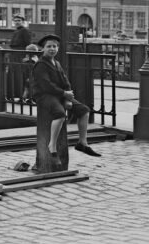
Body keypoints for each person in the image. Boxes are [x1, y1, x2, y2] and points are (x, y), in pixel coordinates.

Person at [32, 34, 101, 168]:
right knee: (59, 114)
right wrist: (64, 94)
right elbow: (46, 85)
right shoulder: (41, 64)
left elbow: (65, 80)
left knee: (84, 111)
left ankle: (82, 143)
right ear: (43, 49)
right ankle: (52, 147)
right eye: (49, 47)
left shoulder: (56, 63)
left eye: (55, 46)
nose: (52, 49)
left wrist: (68, 96)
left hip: (58, 94)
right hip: (45, 96)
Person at [8, 14, 32, 101]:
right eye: (15, 21)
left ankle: (21, 95)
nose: (17, 22)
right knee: (13, 74)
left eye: (19, 20)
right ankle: (13, 94)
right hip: (14, 55)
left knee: (20, 75)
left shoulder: (25, 31)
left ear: (23, 22)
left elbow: (28, 44)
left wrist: (27, 56)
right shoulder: (16, 31)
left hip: (20, 55)